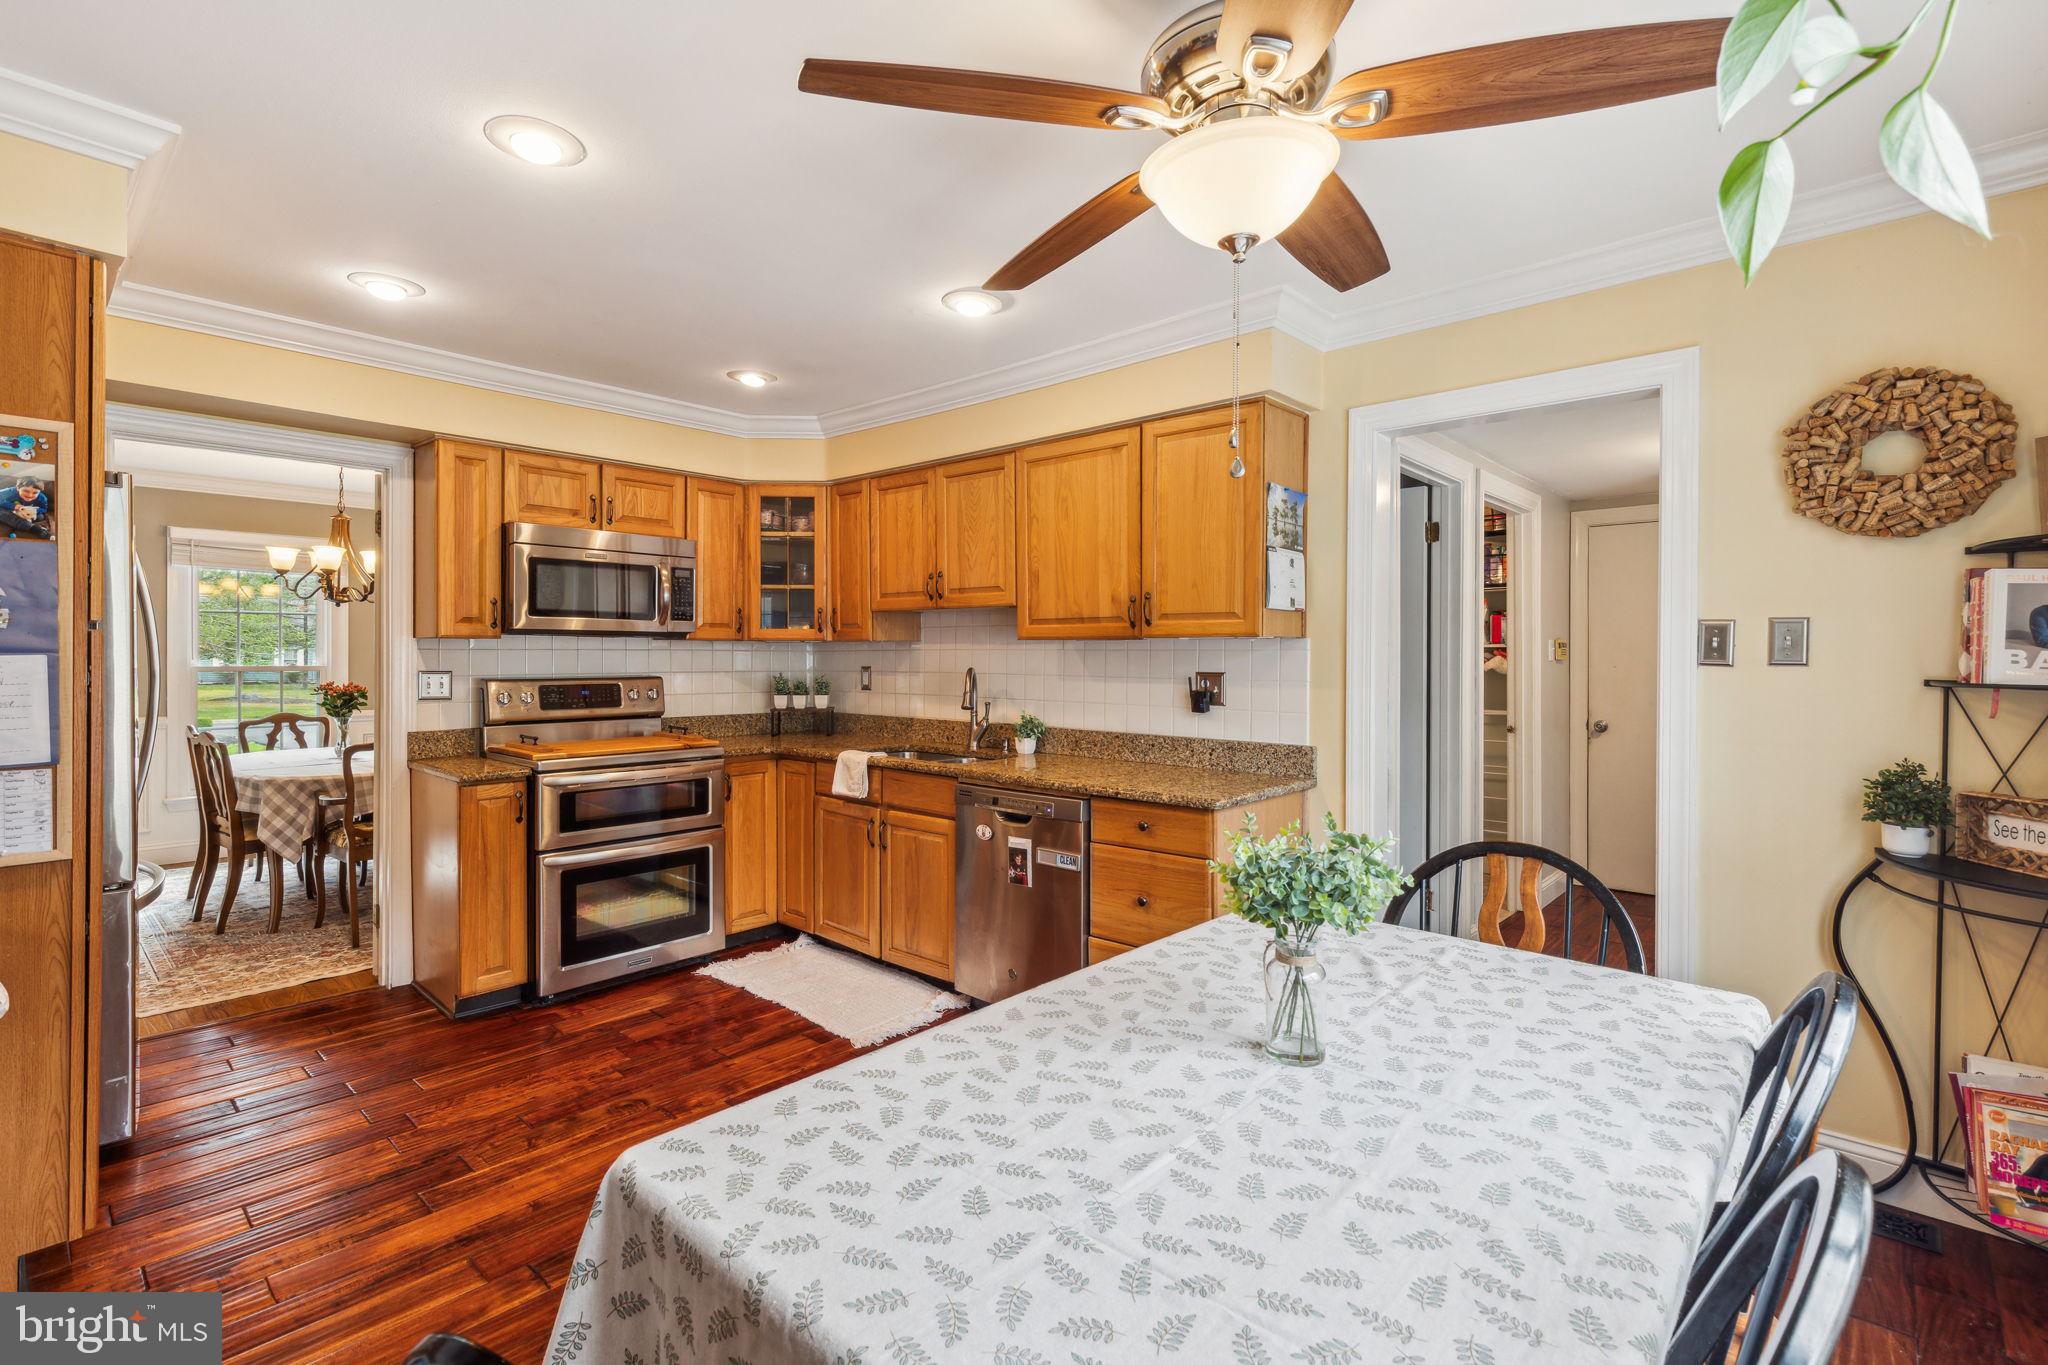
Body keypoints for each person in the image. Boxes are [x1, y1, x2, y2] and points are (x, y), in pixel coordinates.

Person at [0, 474, 53, 538]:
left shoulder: (42, 498)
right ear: (18, 488)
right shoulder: (10, 491)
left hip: (28, 514)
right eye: (26, 491)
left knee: (40, 517)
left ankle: (20, 523)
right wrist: (13, 506)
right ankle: (35, 529)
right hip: (11, 511)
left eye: (35, 493)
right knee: (2, 513)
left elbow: (44, 509)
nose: (30, 495)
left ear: (40, 492)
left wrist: (34, 510)